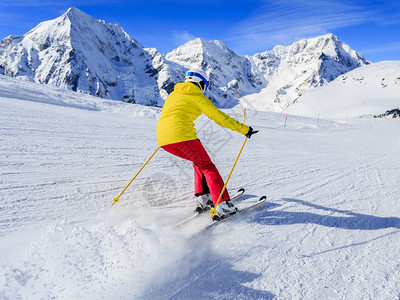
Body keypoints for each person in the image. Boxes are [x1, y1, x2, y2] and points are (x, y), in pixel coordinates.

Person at [156, 68, 258, 218]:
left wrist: (167, 135)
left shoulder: (174, 94)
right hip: (182, 136)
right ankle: (222, 204)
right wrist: (244, 129)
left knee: (199, 162)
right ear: (201, 83)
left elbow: (172, 114)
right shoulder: (196, 96)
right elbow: (219, 117)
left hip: (163, 139)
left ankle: (203, 198)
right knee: (208, 166)